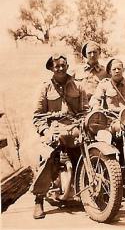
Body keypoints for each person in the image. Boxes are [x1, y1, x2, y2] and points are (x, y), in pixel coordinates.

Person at [32, 54, 88, 219]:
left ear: (67, 65)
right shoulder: (44, 88)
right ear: (51, 68)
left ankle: (87, 191)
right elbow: (37, 116)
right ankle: (39, 199)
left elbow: (85, 110)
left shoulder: (78, 86)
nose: (60, 68)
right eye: (57, 66)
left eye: (63, 65)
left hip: (75, 128)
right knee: (48, 156)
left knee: (88, 149)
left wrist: (83, 124)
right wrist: (45, 131)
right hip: (53, 130)